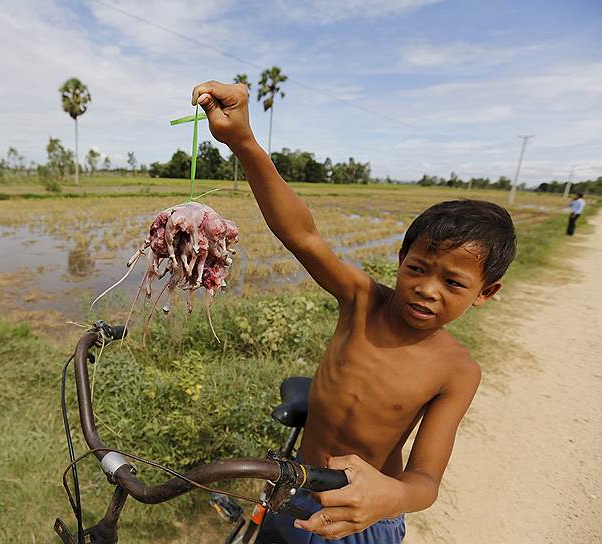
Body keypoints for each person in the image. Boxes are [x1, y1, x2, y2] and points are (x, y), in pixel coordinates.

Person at [190, 81, 517, 543]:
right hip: (295, 485)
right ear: (401, 260)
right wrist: (243, 141)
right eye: (418, 268)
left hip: (362, 512)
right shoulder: (362, 299)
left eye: (453, 282)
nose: (426, 290)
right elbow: (303, 236)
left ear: (485, 293)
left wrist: (390, 497)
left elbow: (425, 480)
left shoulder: (458, 370)